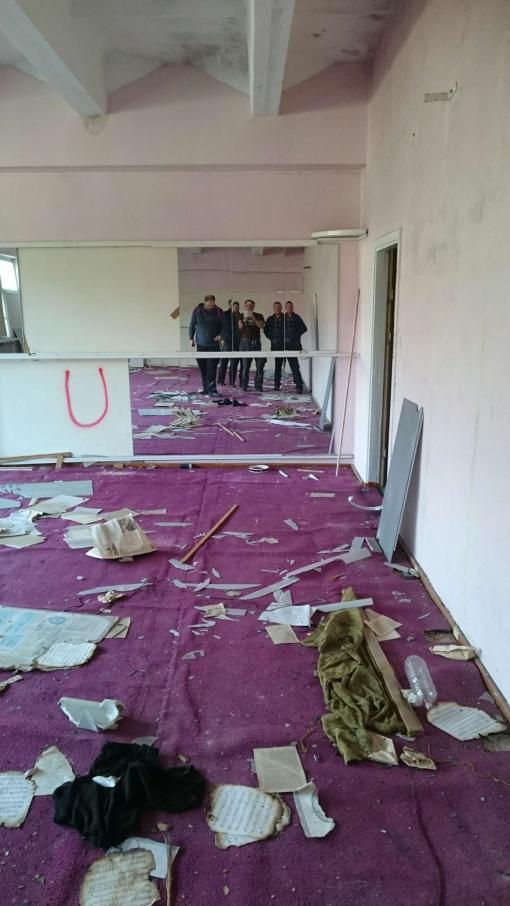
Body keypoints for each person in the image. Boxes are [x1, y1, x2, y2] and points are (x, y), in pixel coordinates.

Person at [264, 300, 306, 392]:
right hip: (277, 346)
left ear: (282, 308)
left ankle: (299, 386)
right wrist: (273, 339)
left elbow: (296, 329)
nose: (277, 309)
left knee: (294, 366)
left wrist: (292, 338)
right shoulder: (270, 319)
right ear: (273, 308)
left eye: (279, 307)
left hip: (290, 346)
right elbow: (266, 331)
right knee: (278, 366)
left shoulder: (287, 317)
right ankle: (276, 385)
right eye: (275, 307)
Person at [188, 294, 223, 397]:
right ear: (204, 303)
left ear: (214, 303)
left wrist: (221, 335)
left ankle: (212, 390)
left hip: (214, 345)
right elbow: (192, 324)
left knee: (212, 368)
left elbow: (225, 326)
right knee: (203, 368)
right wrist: (191, 338)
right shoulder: (197, 311)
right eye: (208, 306)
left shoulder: (219, 311)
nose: (210, 307)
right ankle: (206, 389)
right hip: (201, 344)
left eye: (212, 305)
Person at [238, 299, 266, 391]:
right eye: (247, 305)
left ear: (254, 307)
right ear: (244, 306)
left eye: (251, 306)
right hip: (245, 342)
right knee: (245, 366)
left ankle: (258, 386)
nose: (249, 307)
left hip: (256, 342)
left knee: (260, 365)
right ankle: (244, 385)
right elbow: (239, 327)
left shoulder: (259, 315)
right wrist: (245, 319)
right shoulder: (240, 315)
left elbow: (261, 326)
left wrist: (253, 318)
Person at [218, 300, 241, 387]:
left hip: (237, 341)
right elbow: (221, 326)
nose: (236, 308)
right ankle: (220, 380)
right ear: (229, 305)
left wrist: (238, 317)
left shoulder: (239, 315)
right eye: (234, 306)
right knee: (224, 362)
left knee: (234, 363)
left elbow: (241, 327)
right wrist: (221, 337)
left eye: (237, 307)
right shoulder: (225, 314)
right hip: (227, 341)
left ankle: (232, 382)